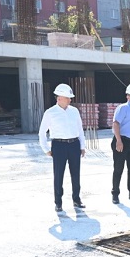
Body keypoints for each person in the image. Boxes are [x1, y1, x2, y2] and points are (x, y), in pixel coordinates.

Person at [38, 83, 86, 212]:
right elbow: (42, 132)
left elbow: (80, 129)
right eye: (67, 97)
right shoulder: (50, 113)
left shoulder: (74, 111)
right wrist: (46, 149)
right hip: (58, 145)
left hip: (74, 144)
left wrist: (82, 146)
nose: (70, 100)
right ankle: (58, 202)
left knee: (76, 173)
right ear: (59, 98)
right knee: (58, 174)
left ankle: (77, 199)